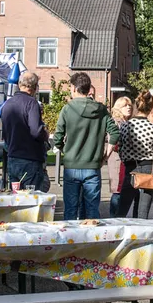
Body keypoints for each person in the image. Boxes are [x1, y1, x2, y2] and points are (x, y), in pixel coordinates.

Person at [53, 72, 120, 220]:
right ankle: (90, 241)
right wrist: (105, 156)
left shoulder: (67, 109)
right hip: (93, 166)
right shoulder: (101, 109)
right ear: (88, 88)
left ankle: (70, 241)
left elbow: (57, 137)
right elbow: (114, 133)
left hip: (72, 166)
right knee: (92, 211)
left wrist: (66, 150)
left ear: (74, 88)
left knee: (70, 210)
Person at [118, 90, 153, 221]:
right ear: (149, 108)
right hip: (149, 168)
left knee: (123, 207)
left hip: (131, 167)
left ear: (136, 106)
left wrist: (127, 160)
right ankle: (141, 236)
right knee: (143, 210)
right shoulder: (152, 128)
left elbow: (121, 150)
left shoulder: (125, 126)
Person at [1, 71, 49, 191]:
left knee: (16, 198)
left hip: (12, 156)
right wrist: (45, 134)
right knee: (31, 199)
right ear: (35, 87)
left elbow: (5, 132)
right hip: (30, 158)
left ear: (19, 84)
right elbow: (36, 131)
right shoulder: (32, 103)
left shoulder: (7, 104)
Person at [106, 96, 133, 216]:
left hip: (127, 162)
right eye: (125, 105)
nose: (128, 107)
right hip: (118, 161)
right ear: (118, 108)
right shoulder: (115, 122)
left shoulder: (129, 122)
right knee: (117, 191)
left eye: (130, 105)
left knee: (124, 191)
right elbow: (112, 140)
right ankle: (113, 219)